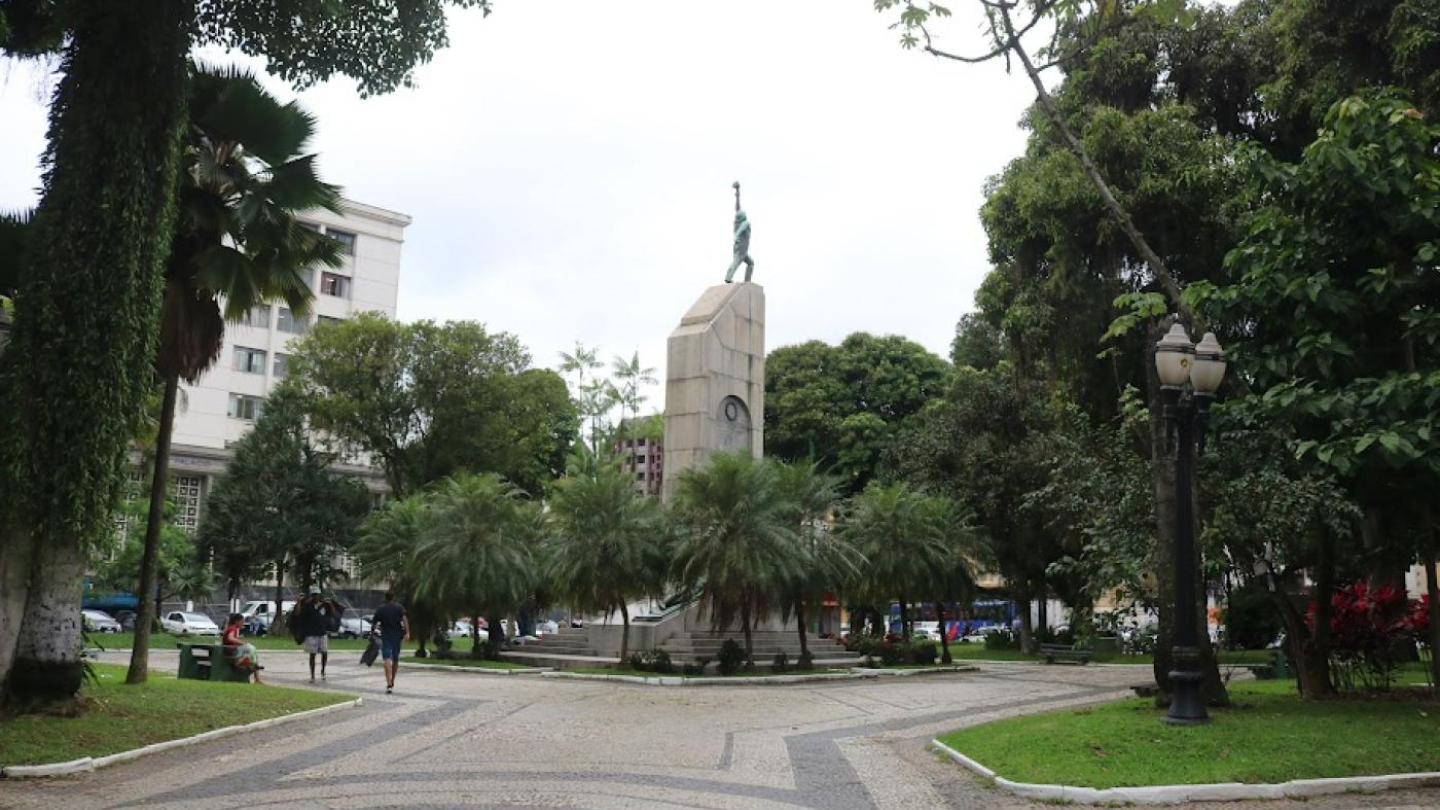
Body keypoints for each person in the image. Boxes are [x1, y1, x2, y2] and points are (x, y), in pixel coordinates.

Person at [295, 585, 341, 683]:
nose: (316, 597)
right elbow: (298, 613)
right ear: (311, 596)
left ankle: (323, 670)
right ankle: (312, 675)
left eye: (317, 594)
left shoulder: (324, 605)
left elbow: (333, 614)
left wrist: (330, 604)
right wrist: (298, 602)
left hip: (322, 632)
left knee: (324, 652)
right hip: (311, 633)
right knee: (312, 655)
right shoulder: (308, 605)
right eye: (314, 595)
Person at [371, 591, 409, 694]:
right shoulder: (399, 608)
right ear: (394, 598)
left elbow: (374, 623)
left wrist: (371, 634)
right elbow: (404, 619)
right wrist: (407, 632)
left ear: (385, 598)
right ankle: (392, 681)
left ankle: (388, 683)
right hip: (397, 637)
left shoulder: (381, 609)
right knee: (395, 659)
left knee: (387, 659)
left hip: (386, 637)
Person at [221, 613, 263, 684]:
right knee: (252, 651)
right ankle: (257, 679)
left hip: (230, 652)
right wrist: (243, 643)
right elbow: (230, 638)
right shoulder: (233, 628)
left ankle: (257, 677)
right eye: (242, 622)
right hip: (232, 654)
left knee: (252, 653)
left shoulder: (230, 628)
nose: (243, 624)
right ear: (236, 621)